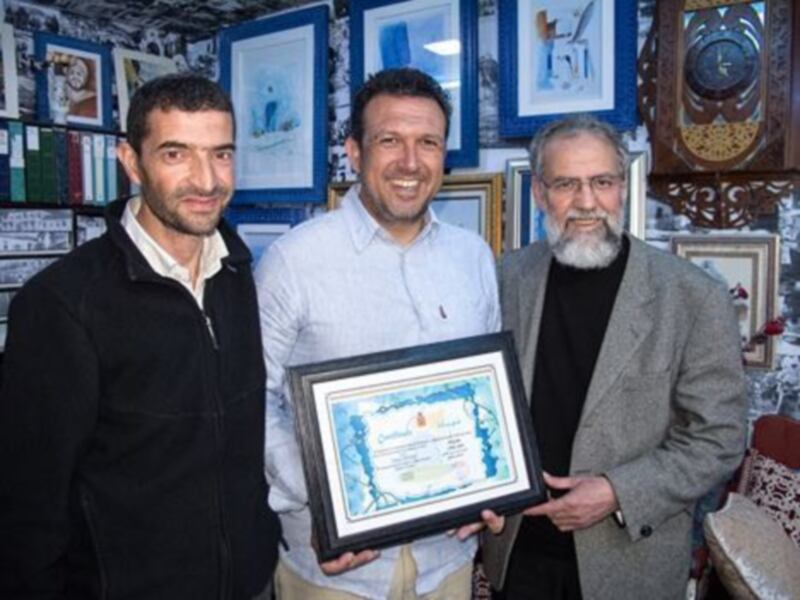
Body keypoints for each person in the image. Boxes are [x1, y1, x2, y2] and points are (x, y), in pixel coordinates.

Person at [0, 74, 281, 599]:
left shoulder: (237, 271)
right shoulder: (61, 304)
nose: (206, 180)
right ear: (132, 163)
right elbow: (27, 509)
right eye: (177, 154)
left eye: (221, 155)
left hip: (249, 583)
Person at [256, 67, 502, 599]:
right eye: (390, 140)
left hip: (448, 562)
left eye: (428, 143)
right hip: (334, 569)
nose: (410, 162)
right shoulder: (293, 261)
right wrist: (320, 498)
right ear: (354, 152)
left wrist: (492, 480)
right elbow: (254, 399)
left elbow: (486, 392)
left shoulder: (474, 258)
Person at [481, 115, 748, 600]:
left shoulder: (693, 297)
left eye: (601, 181)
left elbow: (720, 437)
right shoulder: (504, 278)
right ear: (540, 193)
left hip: (629, 565)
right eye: (566, 183)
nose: (587, 202)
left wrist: (617, 492)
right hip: (517, 556)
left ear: (623, 187)